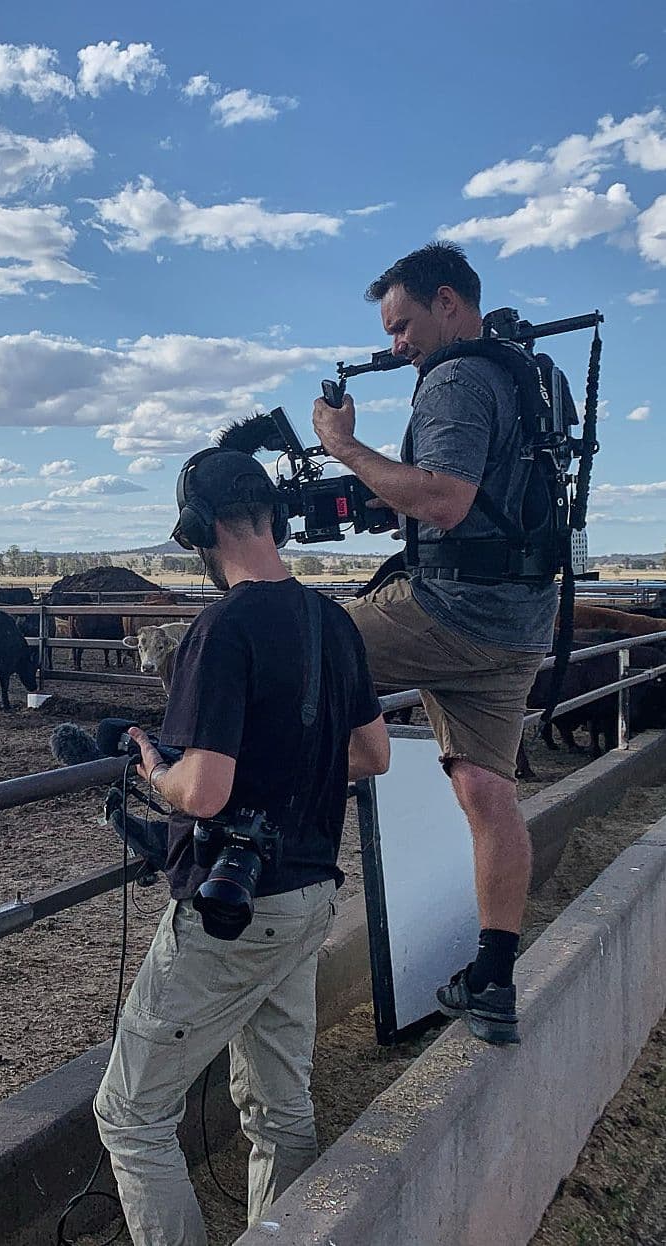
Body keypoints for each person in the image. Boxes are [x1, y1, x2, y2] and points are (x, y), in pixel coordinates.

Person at [93, 447, 390, 1246]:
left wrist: (156, 767)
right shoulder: (330, 619)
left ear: (199, 529)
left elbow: (206, 792)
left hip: (234, 910)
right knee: (278, 1102)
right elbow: (372, 755)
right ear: (274, 519)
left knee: (130, 1114)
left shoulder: (219, 629)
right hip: (308, 893)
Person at [312, 241, 559, 1046]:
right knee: (488, 796)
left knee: (287, 640)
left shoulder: (453, 378)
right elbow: (481, 500)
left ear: (448, 302)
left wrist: (345, 448)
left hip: (450, 613)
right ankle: (492, 977)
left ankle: (172, 764)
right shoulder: (523, 374)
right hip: (519, 620)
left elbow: (447, 503)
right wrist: (394, 500)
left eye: (403, 324)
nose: (397, 346)